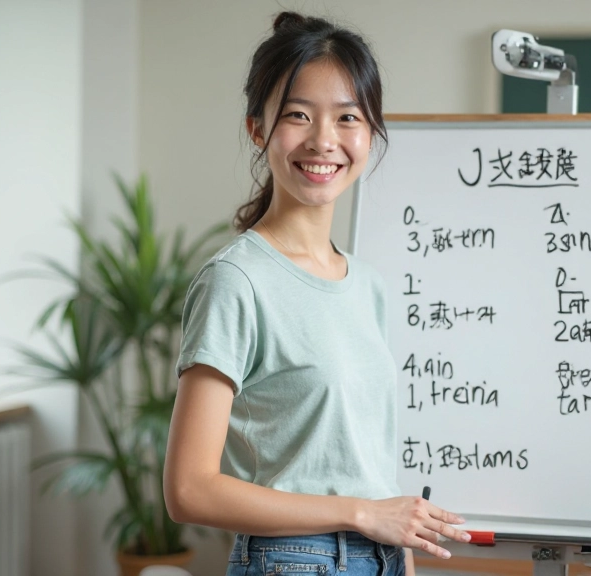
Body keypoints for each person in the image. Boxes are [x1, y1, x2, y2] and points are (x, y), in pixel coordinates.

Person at [164, 11, 471, 576]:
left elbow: (366, 467)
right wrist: (363, 514)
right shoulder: (236, 280)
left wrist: (395, 547)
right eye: (298, 115)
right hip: (294, 561)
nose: (324, 140)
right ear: (258, 129)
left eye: (348, 117)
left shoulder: (367, 285)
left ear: (370, 133)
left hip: (380, 558)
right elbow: (189, 489)